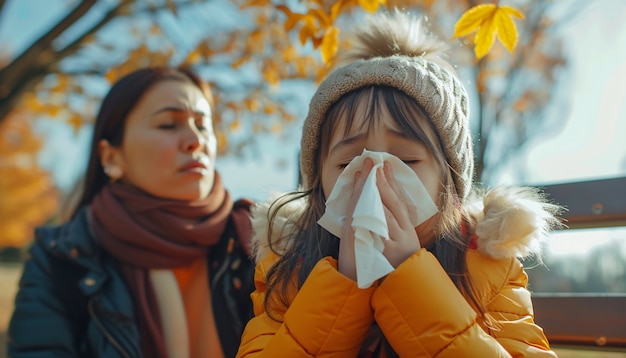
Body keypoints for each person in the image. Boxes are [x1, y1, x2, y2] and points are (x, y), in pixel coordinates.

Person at [237, 10, 562, 357]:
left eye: (406, 161)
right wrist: (343, 286)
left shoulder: (486, 266)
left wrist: (413, 281)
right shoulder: (288, 267)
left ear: (448, 181)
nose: (376, 180)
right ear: (319, 184)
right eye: (349, 164)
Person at [8, 66, 255, 358]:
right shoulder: (61, 260)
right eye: (168, 125)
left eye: (203, 125)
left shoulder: (260, 243)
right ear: (111, 157)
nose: (195, 140)